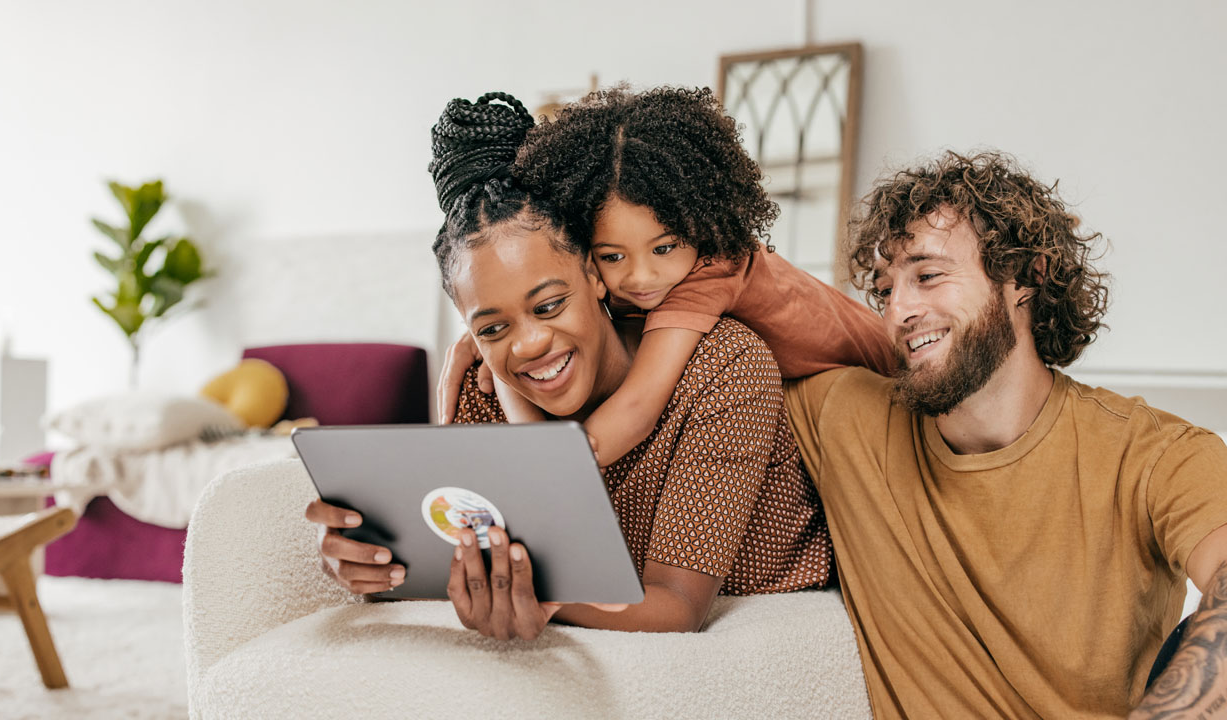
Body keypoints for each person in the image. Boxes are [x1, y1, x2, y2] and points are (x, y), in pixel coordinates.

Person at [306, 92, 833, 639]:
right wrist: (378, 562)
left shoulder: (721, 365)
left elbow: (676, 606)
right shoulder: (483, 390)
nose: (529, 344)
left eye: (549, 306)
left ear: (595, 273)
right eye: (492, 328)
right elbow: (467, 549)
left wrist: (542, 598)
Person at [783, 150, 1227, 718]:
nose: (898, 312)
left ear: (1027, 276)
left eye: (927, 276)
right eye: (885, 288)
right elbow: (733, 291)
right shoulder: (848, 417)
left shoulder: (1153, 455)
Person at [439, 86, 895, 468]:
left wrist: (538, 468)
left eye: (664, 247)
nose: (641, 277)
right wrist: (487, 339)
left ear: (700, 223)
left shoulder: (707, 275)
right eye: (611, 256)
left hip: (891, 377)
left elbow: (635, 412)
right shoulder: (651, 281)